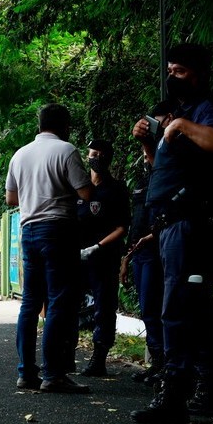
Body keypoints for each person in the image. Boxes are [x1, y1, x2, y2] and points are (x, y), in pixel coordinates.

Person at [130, 44, 213, 424]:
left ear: (199, 74)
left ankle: (174, 392)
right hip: (172, 223)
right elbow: (164, 167)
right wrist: (148, 140)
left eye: (181, 71)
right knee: (197, 308)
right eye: (170, 70)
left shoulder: (206, 110)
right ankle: (210, 391)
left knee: (175, 307)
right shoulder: (183, 114)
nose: (173, 77)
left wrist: (182, 126)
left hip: (192, 221)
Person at [6, 103, 93, 394]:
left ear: (39, 124)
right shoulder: (66, 150)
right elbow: (85, 191)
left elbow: (11, 199)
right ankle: (53, 373)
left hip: (28, 230)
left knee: (30, 302)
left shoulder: (20, 155)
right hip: (58, 230)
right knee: (58, 301)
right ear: (65, 125)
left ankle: (25, 372)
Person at [121, 101, 175, 385]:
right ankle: (158, 363)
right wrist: (126, 258)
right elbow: (137, 220)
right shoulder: (144, 179)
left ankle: (168, 365)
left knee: (158, 309)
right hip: (140, 251)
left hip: (157, 247)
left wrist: (147, 147)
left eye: (158, 124)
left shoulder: (166, 166)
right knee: (147, 310)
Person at [77, 139, 130, 377]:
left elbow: (121, 227)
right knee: (69, 305)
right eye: (93, 153)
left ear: (108, 159)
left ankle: (99, 358)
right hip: (76, 259)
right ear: (86, 156)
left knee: (104, 308)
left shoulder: (116, 189)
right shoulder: (78, 187)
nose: (96, 157)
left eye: (101, 154)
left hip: (104, 257)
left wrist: (97, 247)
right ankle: (64, 356)